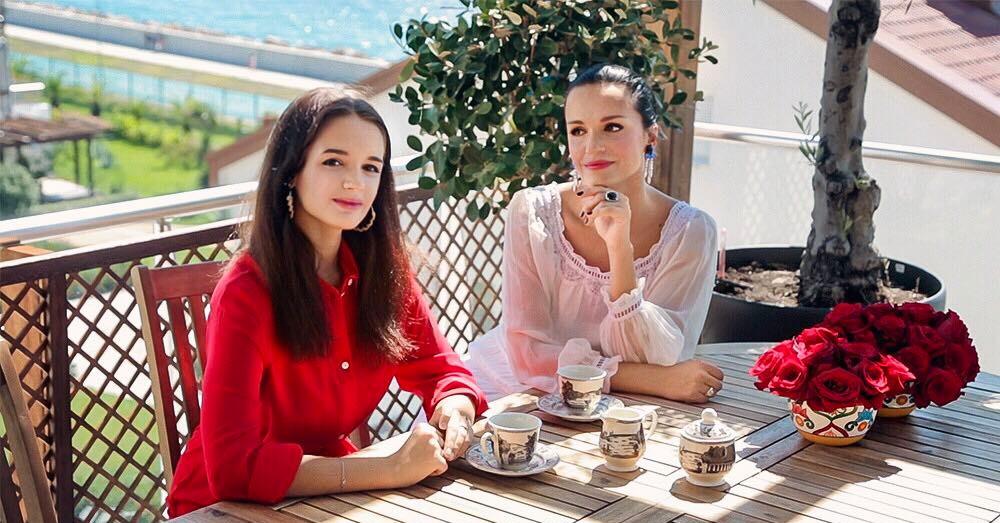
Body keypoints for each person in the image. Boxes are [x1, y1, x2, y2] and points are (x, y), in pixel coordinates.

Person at [167, 88, 487, 516]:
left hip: (331, 497)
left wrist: (455, 408)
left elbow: (440, 368)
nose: (355, 182)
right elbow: (233, 469)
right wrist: (387, 469)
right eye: (334, 161)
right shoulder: (247, 291)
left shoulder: (383, 273)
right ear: (292, 170)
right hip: (223, 509)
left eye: (371, 167)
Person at [467, 64, 724, 403]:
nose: (591, 146)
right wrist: (651, 381)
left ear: (650, 136)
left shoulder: (691, 232)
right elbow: (528, 355)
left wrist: (620, 248)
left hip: (628, 407)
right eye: (577, 130)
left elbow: (658, 356)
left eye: (612, 127)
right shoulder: (533, 213)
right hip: (512, 390)